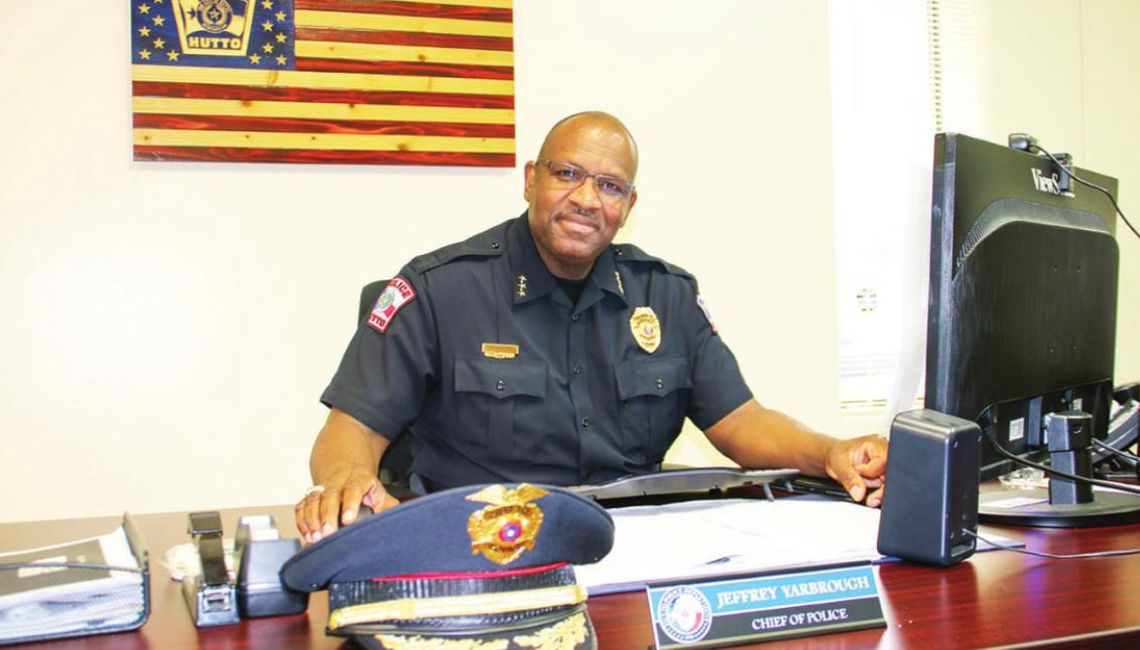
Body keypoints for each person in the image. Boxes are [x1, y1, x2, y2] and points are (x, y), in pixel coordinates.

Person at [296, 111, 887, 543]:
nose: (586, 198)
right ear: (531, 179)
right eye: (567, 174)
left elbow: (743, 423)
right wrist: (348, 480)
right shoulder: (438, 289)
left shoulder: (668, 294)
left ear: (628, 206)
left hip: (637, 549)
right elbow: (352, 430)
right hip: (487, 547)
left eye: (609, 186)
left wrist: (831, 452)